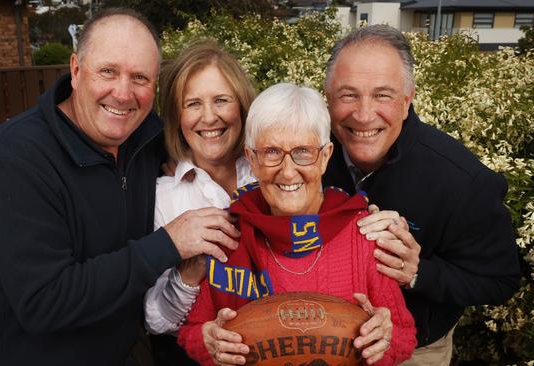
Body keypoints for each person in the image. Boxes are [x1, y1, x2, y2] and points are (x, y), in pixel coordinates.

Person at [0, 9, 240, 365]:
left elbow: (205, 136)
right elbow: (44, 301)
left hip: (119, 351)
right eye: (108, 71)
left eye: (139, 78)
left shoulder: (145, 137)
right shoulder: (16, 159)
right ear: (76, 70)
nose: (123, 93)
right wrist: (168, 243)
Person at [322, 24, 521, 365]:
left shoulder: (462, 181)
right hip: (322, 339)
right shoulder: (307, 153)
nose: (363, 114)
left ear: (406, 100)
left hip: (414, 351)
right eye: (348, 94)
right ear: (327, 98)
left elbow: (500, 280)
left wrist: (418, 272)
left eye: (382, 94)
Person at [178, 83, 417, 366]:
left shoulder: (365, 233)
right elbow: (191, 332)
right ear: (251, 159)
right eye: (271, 152)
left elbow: (404, 336)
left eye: (303, 151)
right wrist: (209, 342)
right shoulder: (227, 236)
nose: (288, 171)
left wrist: (383, 341)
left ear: (325, 157)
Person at [143, 39, 258, 365]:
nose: (209, 117)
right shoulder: (164, 196)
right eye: (193, 104)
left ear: (241, 106)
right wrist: (189, 273)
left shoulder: (273, 171)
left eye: (222, 100)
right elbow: (156, 321)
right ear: (177, 117)